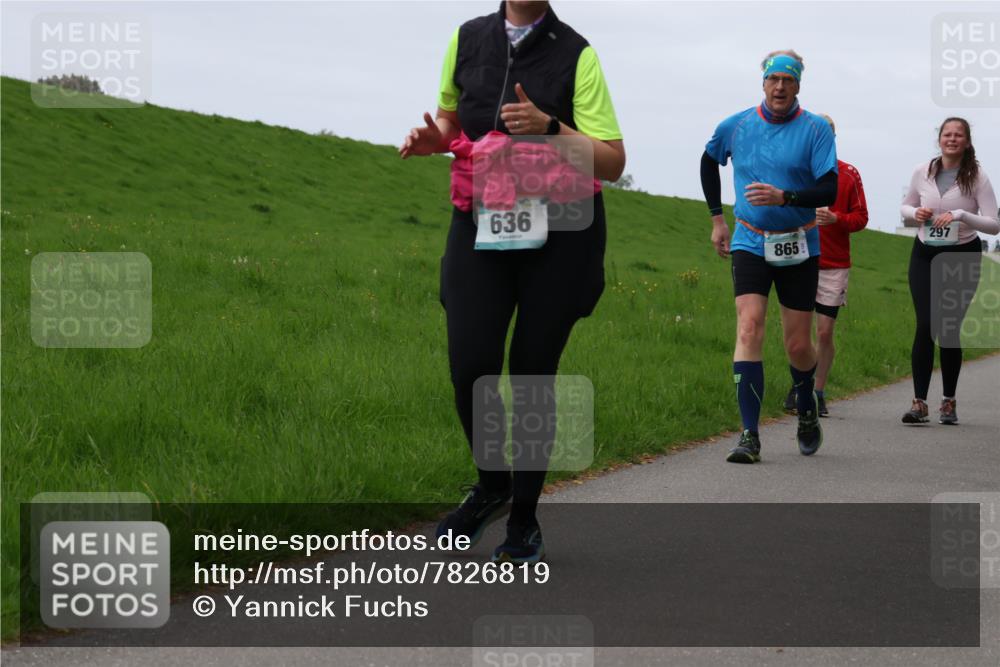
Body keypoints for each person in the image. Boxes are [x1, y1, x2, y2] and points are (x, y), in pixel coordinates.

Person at [400, 1, 624, 562]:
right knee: (470, 364)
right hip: (481, 218)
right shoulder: (467, 38)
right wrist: (437, 139)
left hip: (563, 229)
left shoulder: (577, 54)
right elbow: (452, 120)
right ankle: (492, 484)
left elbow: (611, 161)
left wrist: (550, 128)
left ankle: (524, 516)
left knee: (530, 371)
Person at [700, 50, 837, 464]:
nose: (780, 87)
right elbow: (708, 161)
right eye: (774, 79)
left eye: (788, 80)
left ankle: (806, 404)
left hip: (798, 242)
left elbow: (828, 189)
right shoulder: (737, 125)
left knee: (797, 344)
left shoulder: (815, 129)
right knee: (749, 327)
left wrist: (785, 197)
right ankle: (749, 435)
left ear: (798, 85)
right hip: (750, 240)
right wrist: (717, 219)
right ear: (763, 83)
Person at [899, 117, 998, 424]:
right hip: (925, 254)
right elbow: (905, 208)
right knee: (926, 324)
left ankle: (948, 401)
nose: (952, 139)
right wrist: (916, 212)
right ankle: (919, 403)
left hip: (961, 256)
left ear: (967, 142)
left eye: (958, 135)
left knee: (949, 328)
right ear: (939, 138)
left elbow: (994, 225)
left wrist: (961, 215)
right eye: (947, 134)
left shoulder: (978, 177)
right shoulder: (923, 171)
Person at [782, 114, 868, 417]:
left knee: (824, 332)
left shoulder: (848, 174)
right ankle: (800, 385)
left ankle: (817, 391)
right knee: (799, 332)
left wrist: (836, 219)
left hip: (833, 265)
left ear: (832, 137)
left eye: (825, 134)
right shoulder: (794, 170)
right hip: (799, 259)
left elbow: (861, 218)